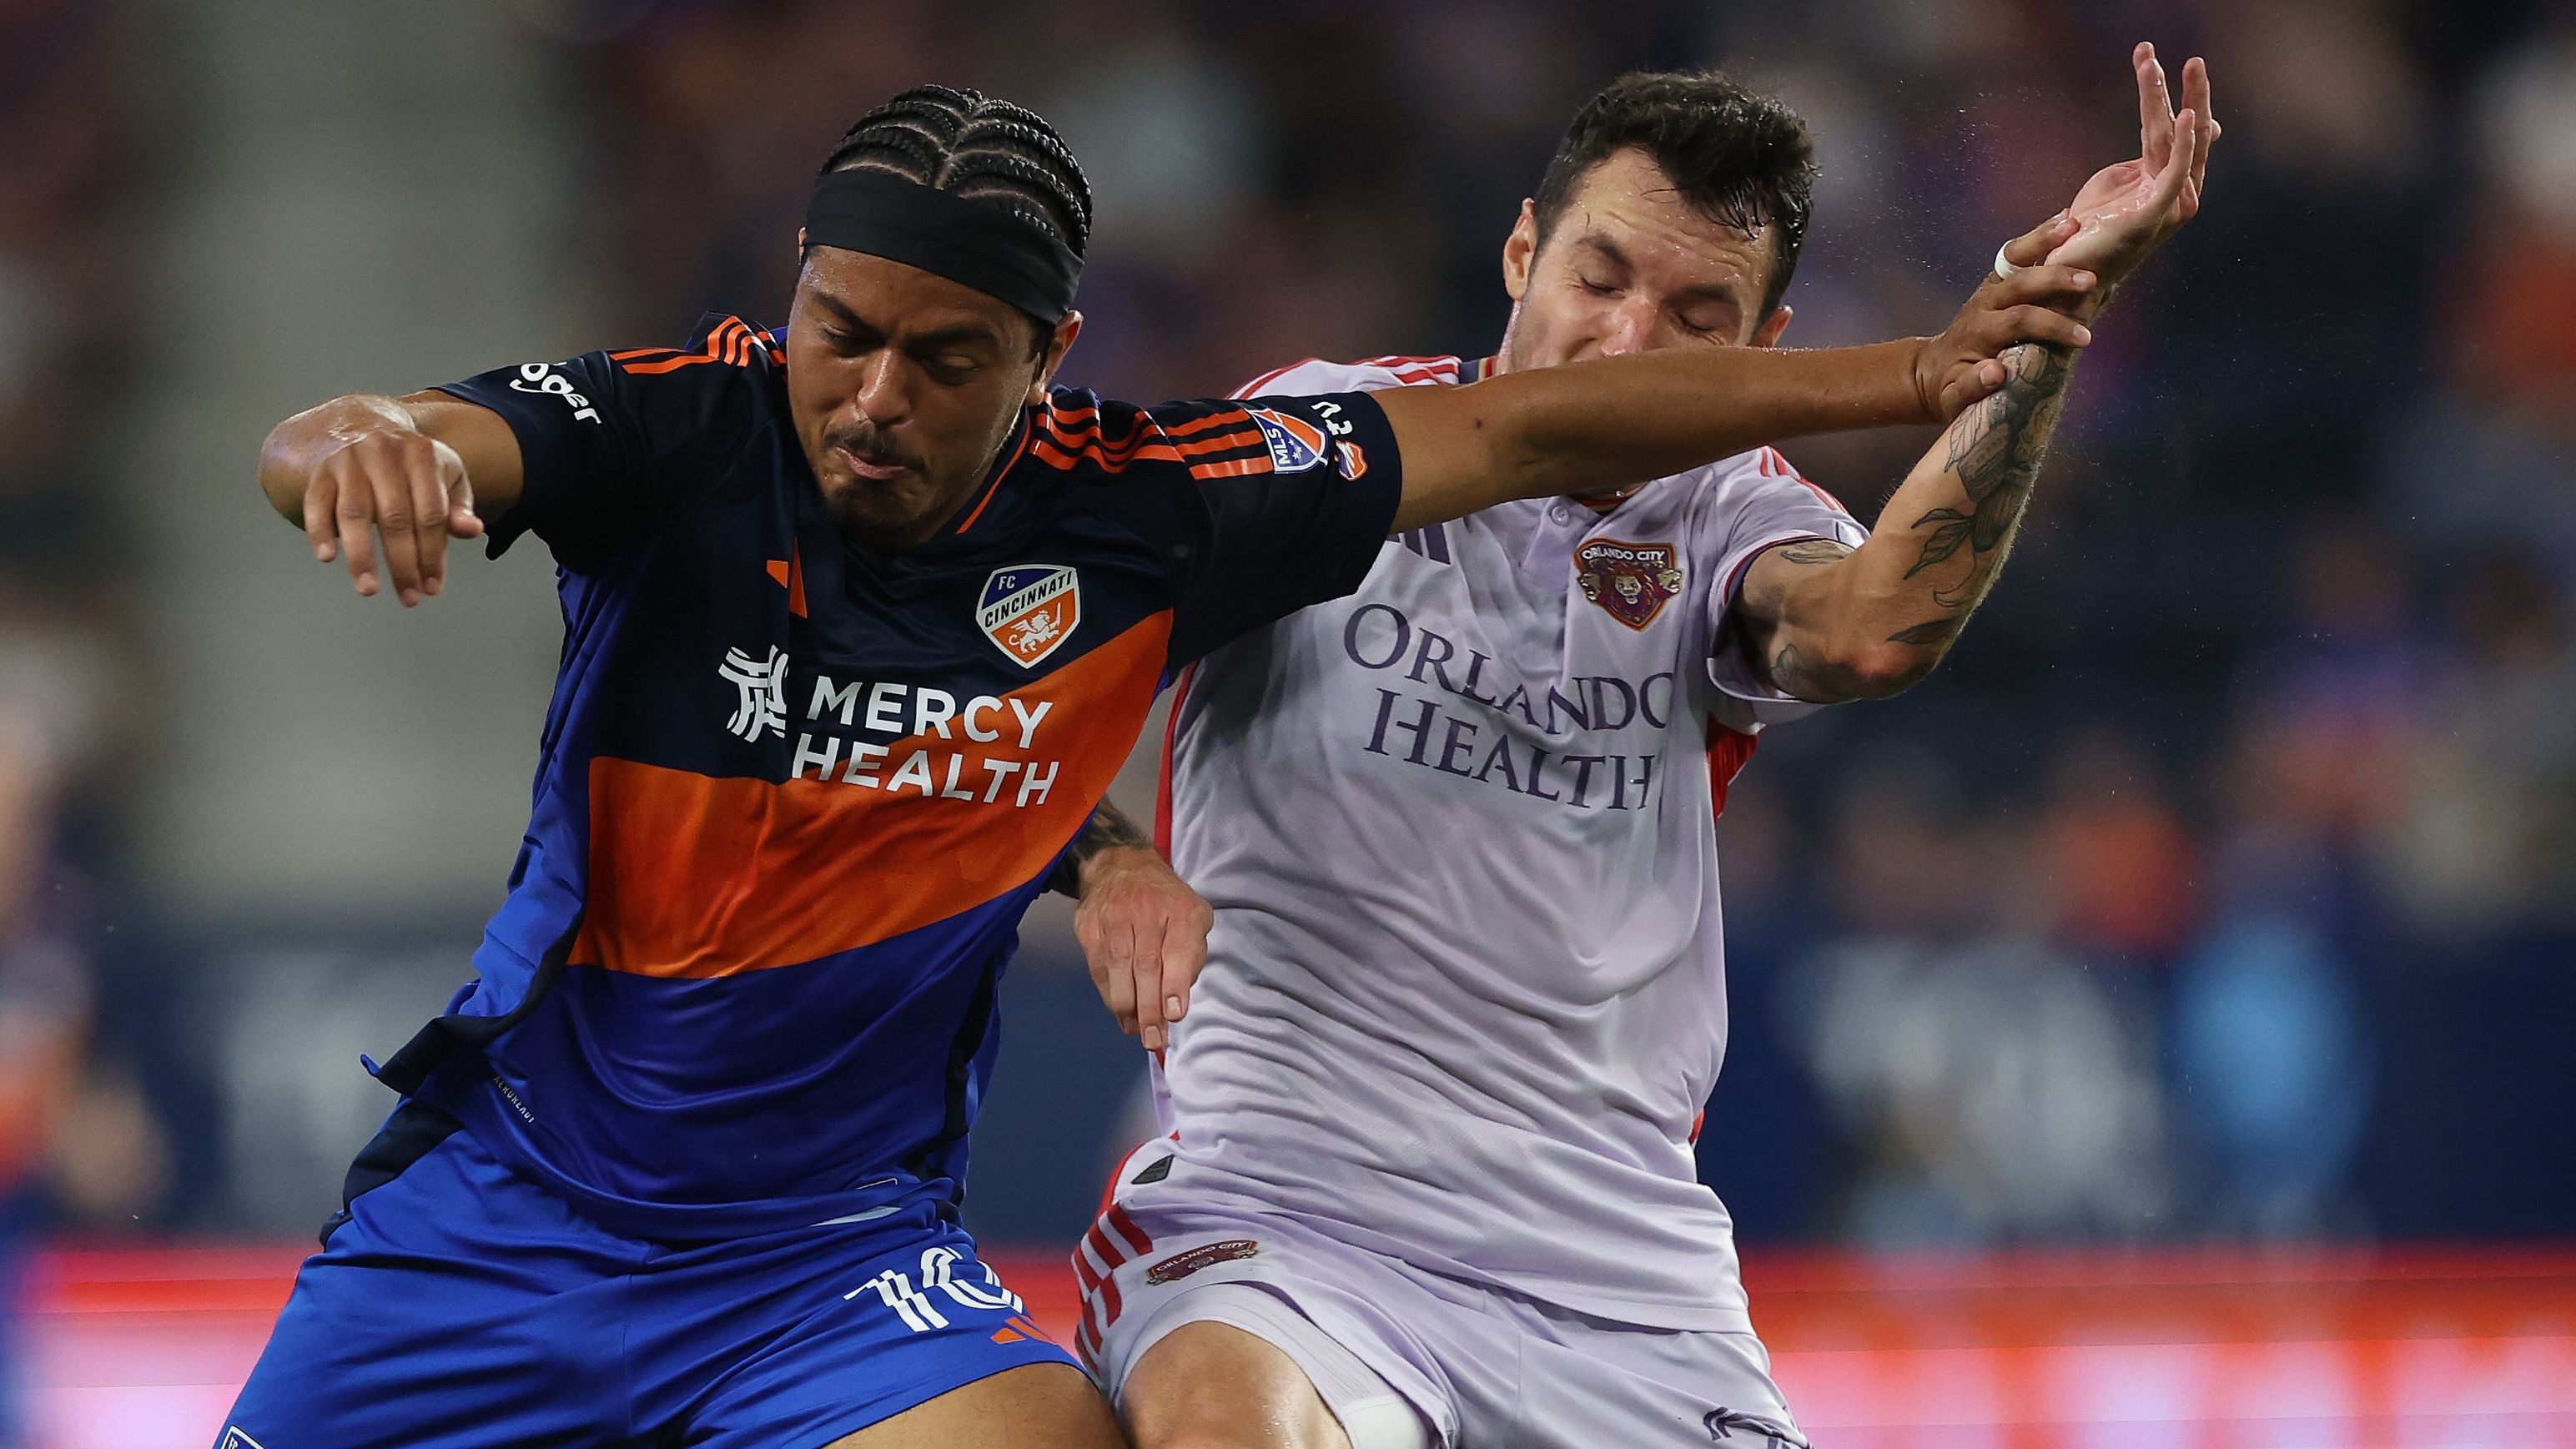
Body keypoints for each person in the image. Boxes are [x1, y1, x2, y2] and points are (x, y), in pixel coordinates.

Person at [218, 81, 2086, 1449]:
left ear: (1047, 361)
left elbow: (1569, 452)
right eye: (840, 335)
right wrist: (368, 440)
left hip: (830, 1261)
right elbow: (355, 435)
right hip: (512, 1205)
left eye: (942, 357)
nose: (873, 396)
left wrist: (1947, 374)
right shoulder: (685, 423)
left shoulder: (1153, 506)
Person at [1068, 46, 2216, 1449]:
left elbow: (1868, 631)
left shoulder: (1732, 514)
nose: (1623, 339)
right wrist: (1112, 859)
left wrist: (2035, 345)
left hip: (1616, 1269)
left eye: (1693, 314)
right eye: (1599, 279)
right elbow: (1006, 659)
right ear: (1518, 252)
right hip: (1287, 1224)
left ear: (1765, 346)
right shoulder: (1326, 436)